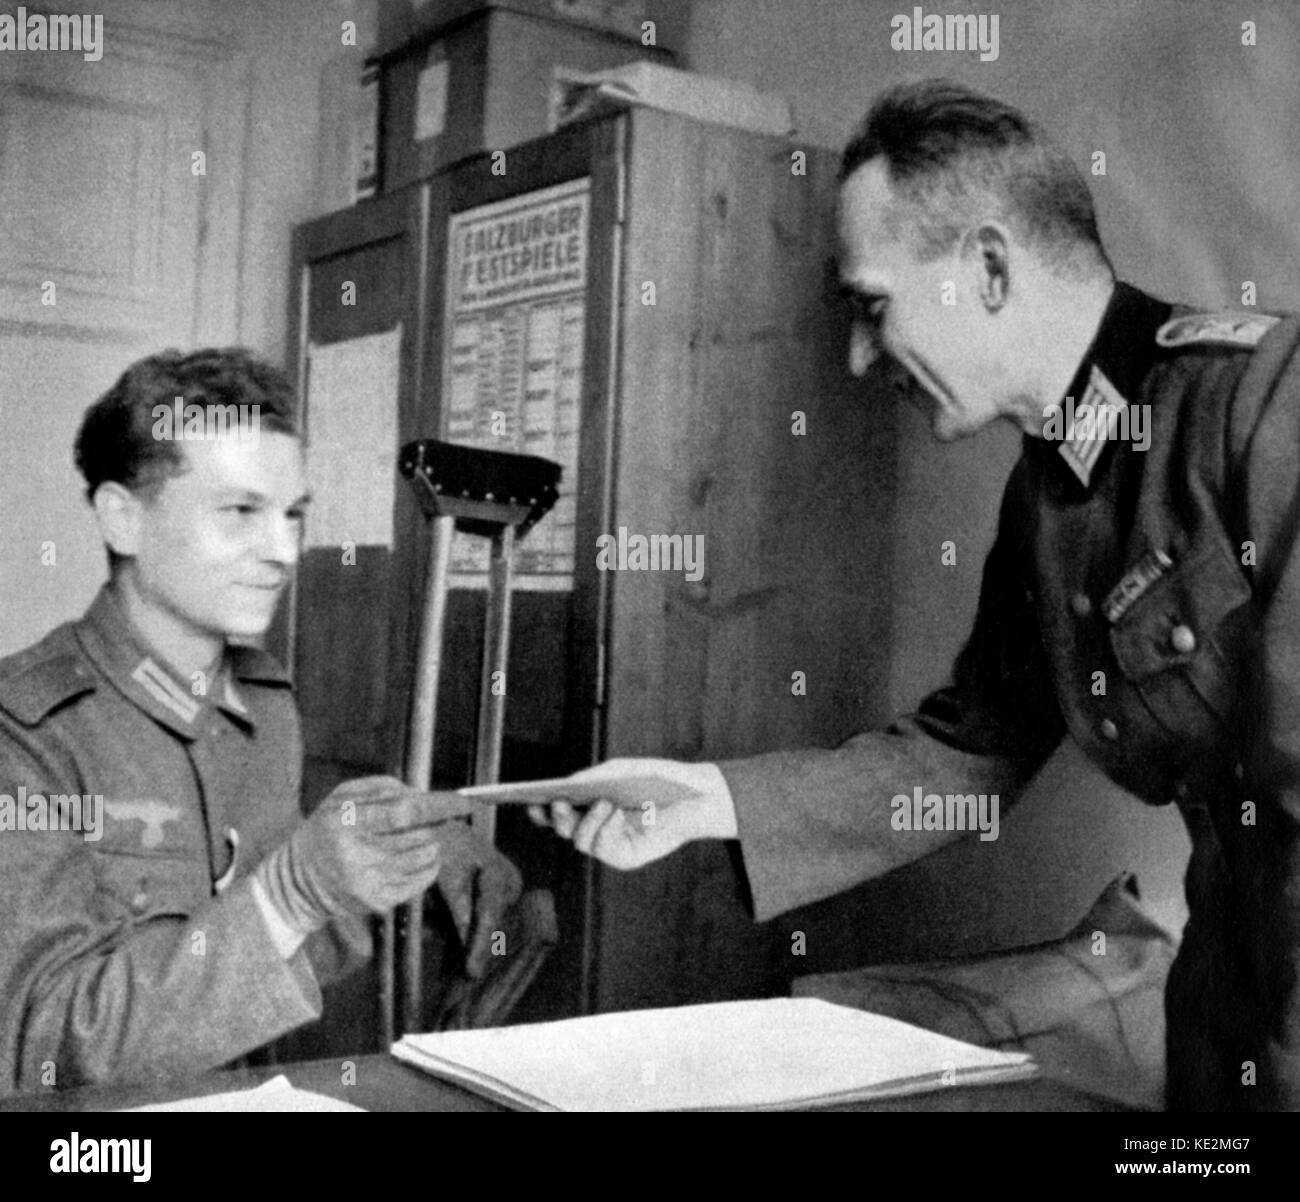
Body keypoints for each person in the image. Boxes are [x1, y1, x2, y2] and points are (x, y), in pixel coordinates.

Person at [532, 79, 1300, 1112]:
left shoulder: (1258, 408)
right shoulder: (1048, 497)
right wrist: (703, 797)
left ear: (987, 267)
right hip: (1225, 1010)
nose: (857, 355)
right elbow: (967, 754)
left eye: (872, 306)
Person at [0, 348, 515, 1094]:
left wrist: (404, 868)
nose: (282, 551)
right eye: (241, 511)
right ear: (124, 519)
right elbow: (35, 1050)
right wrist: (291, 891)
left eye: (293, 516)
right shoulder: (26, 735)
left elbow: (281, 962)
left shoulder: (265, 707)